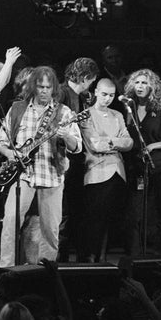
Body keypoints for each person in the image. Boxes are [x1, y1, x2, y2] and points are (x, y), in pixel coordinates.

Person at [0, 66, 82, 267]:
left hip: (52, 175)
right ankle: (5, 270)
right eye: (40, 86)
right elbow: (1, 142)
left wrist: (66, 136)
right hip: (23, 176)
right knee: (10, 223)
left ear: (54, 89)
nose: (44, 90)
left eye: (48, 87)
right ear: (33, 86)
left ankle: (46, 272)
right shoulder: (18, 109)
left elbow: (77, 147)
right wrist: (12, 155)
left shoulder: (64, 112)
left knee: (50, 229)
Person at [122, 68, 161, 255]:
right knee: (136, 213)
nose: (140, 86)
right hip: (139, 167)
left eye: (144, 83)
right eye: (137, 82)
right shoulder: (129, 107)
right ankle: (136, 255)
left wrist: (154, 146)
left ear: (152, 86)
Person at [79, 79, 133, 262]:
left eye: (111, 95)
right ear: (96, 92)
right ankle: (90, 258)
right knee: (95, 219)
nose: (108, 99)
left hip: (118, 171)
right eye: (104, 94)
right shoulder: (86, 114)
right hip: (96, 172)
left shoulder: (117, 115)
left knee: (111, 218)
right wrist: (115, 142)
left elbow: (129, 142)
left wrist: (110, 142)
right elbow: (95, 145)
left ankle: (102, 257)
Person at [58, 57, 99, 262]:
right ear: (84, 78)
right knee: (64, 213)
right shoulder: (63, 93)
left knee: (74, 210)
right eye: (91, 81)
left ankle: (74, 256)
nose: (90, 85)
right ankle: (59, 258)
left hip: (74, 159)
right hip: (64, 160)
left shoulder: (77, 95)